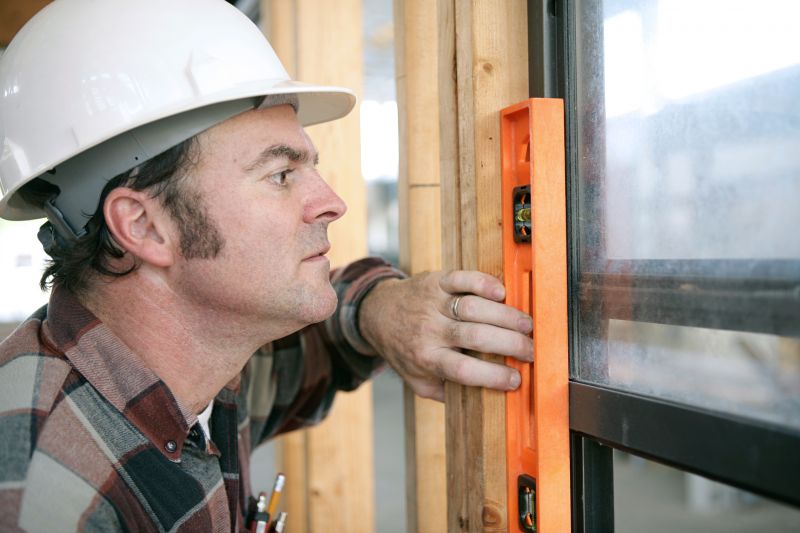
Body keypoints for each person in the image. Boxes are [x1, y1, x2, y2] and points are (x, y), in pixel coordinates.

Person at [0, 0, 533, 530]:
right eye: (280, 174)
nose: (332, 203)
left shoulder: (209, 370)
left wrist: (380, 309)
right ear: (142, 226)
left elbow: (328, 343)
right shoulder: (44, 494)